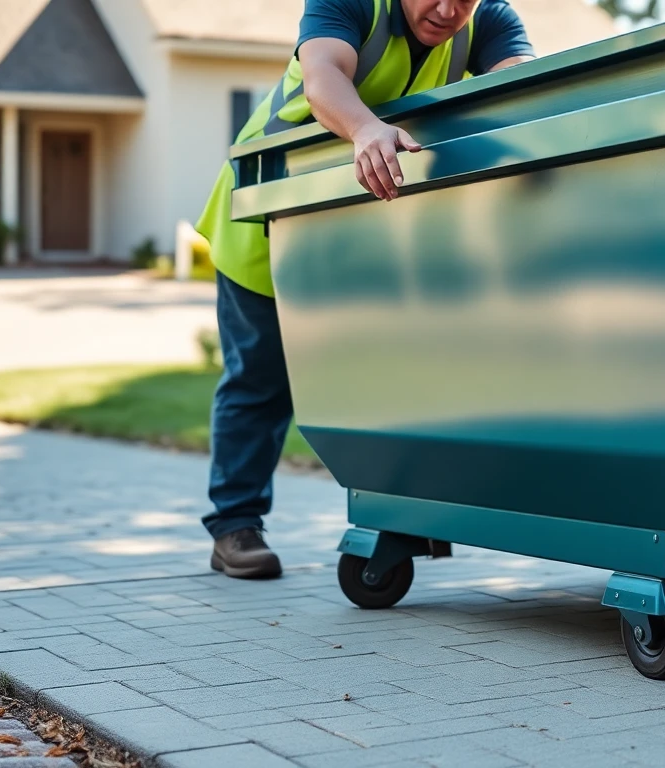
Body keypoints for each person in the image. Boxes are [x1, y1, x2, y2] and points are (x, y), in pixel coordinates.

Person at [193, 0, 536, 579]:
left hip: (364, 233)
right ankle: (235, 526)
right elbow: (323, 75)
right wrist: (364, 127)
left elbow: (522, 88)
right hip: (266, 213)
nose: (448, 10)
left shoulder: (491, 21)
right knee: (259, 380)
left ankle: (401, 511)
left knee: (388, 373)